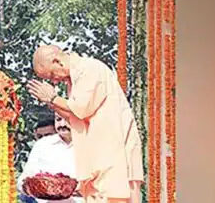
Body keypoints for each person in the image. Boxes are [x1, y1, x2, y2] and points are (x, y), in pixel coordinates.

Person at [26, 45, 143, 203]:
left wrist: (53, 98)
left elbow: (81, 109)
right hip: (100, 154)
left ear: (57, 61)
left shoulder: (90, 69)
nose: (54, 81)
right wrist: (52, 103)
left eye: (52, 75)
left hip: (114, 153)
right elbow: (76, 119)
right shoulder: (73, 79)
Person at [18, 113, 84, 203]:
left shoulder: (92, 144)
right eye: (58, 119)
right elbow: (24, 180)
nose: (62, 124)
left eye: (67, 120)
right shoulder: (42, 144)